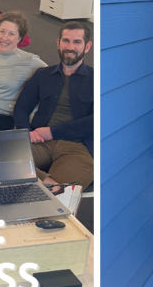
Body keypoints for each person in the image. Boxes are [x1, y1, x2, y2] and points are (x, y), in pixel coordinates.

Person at [13, 22, 94, 190]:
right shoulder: (43, 75)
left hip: (77, 147)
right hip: (38, 142)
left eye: (77, 42)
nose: (70, 47)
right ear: (58, 43)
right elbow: (21, 107)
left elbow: (97, 121)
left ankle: (43, 185)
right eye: (66, 41)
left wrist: (52, 132)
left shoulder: (98, 79)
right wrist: (25, 131)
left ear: (87, 46)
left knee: (61, 193)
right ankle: (43, 181)